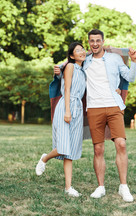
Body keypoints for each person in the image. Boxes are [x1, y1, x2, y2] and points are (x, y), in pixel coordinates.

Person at [83, 29, 136, 201]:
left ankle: (123, 187)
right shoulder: (84, 60)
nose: (95, 44)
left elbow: (130, 77)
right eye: (92, 41)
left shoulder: (114, 58)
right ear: (89, 42)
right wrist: (59, 69)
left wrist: (134, 61)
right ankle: (100, 187)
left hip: (114, 106)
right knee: (98, 149)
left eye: (98, 40)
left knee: (121, 144)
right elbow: (69, 63)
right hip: (94, 108)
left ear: (103, 41)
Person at [35, 42, 86, 197]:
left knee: (69, 153)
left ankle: (68, 187)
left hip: (78, 108)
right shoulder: (70, 66)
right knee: (63, 148)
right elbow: (67, 88)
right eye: (78, 51)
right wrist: (68, 111)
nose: (82, 52)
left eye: (82, 49)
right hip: (66, 106)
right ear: (71, 56)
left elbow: (92, 52)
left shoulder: (83, 70)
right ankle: (45, 158)